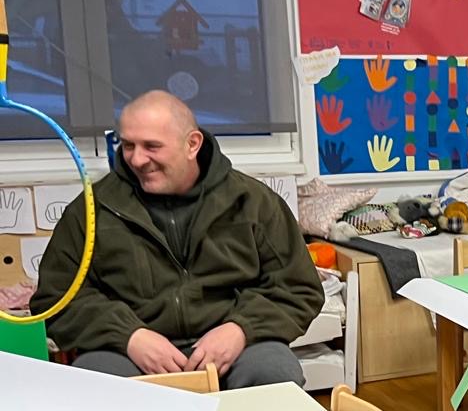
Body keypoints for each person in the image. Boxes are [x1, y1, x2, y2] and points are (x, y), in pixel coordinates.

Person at [32, 90, 321, 388]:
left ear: (192, 144)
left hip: (238, 345)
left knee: (274, 374)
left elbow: (298, 287)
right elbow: (56, 299)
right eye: (128, 145)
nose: (137, 159)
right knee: (95, 382)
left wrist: (240, 329)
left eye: (152, 146)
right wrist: (129, 336)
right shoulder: (91, 210)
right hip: (126, 350)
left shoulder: (254, 202)